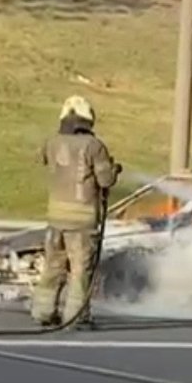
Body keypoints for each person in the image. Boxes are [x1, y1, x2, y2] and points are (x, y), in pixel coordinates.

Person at [30, 95, 122, 328]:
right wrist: (113, 169)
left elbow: (45, 162)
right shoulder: (94, 146)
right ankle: (75, 317)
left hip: (55, 220)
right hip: (82, 223)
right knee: (80, 271)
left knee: (53, 267)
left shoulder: (51, 142)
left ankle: (42, 311)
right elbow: (105, 180)